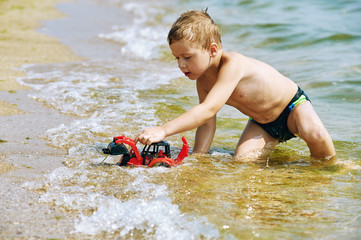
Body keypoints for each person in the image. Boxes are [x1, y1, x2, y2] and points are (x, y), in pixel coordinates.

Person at [135, 9, 336, 160]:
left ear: (212, 50)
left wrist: (163, 130)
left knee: (314, 133)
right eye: (176, 58)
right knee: (241, 160)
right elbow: (207, 122)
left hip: (292, 108)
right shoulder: (203, 81)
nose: (181, 64)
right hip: (263, 124)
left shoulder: (233, 64)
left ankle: (330, 169)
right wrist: (197, 157)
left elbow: (207, 110)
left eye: (187, 56)